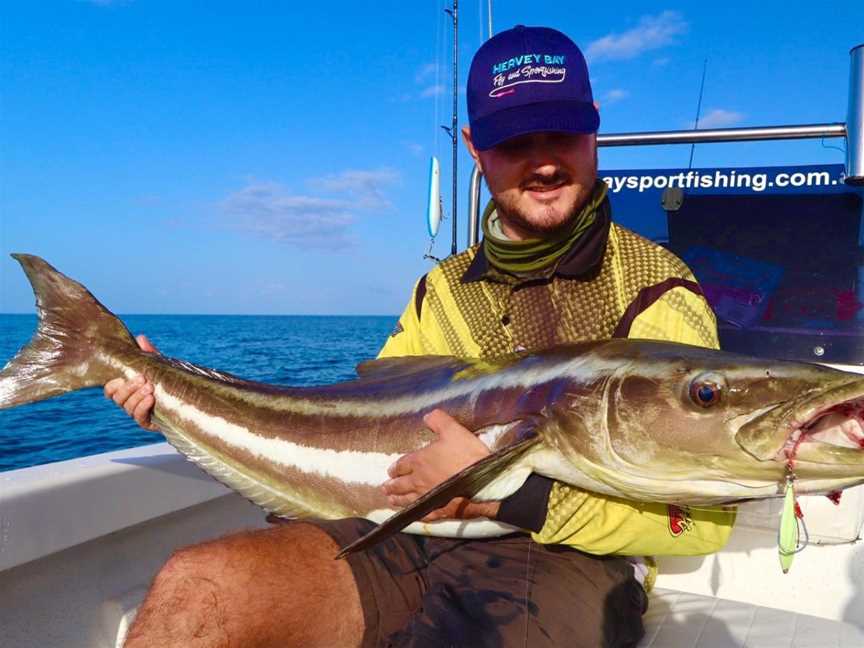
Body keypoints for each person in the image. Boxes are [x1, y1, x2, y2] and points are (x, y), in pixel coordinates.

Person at [107, 26, 736, 648]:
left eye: (562, 134)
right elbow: (362, 422)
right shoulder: (441, 289)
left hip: (569, 558)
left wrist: (502, 498)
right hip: (406, 532)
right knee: (199, 586)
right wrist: (174, 397)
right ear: (474, 146)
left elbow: (701, 524)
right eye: (516, 140)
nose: (544, 161)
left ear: (594, 126)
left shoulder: (659, 290)